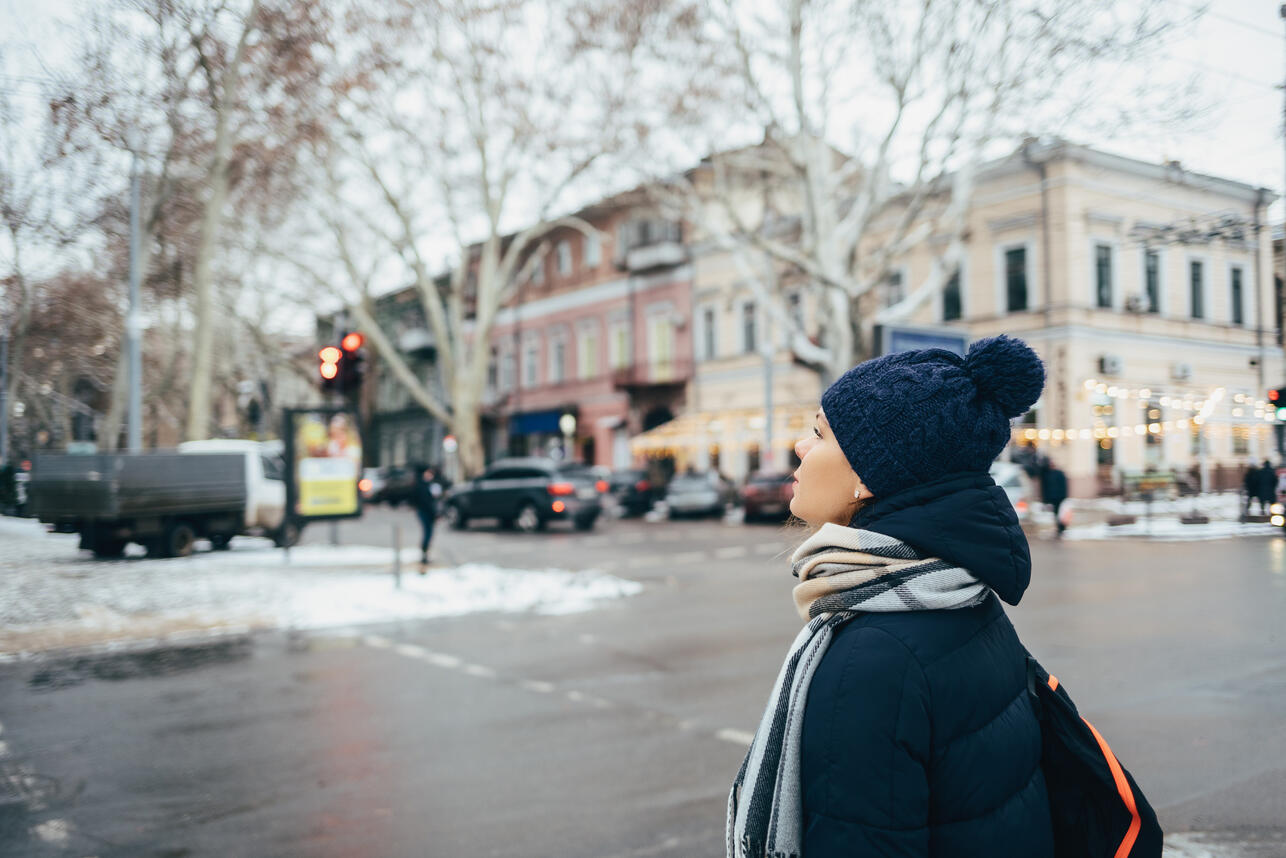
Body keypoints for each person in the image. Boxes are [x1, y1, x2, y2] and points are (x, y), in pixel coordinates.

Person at [728, 335, 1054, 858]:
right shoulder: (957, 594)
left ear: (869, 475)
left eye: (819, 433)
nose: (800, 447)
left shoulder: (875, 655)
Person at [412, 464, 442, 565]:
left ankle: (425, 554)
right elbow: (426, 502)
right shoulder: (423, 485)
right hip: (425, 512)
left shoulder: (428, 485)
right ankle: (424, 554)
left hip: (425, 512)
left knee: (428, 533)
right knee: (427, 533)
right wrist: (434, 514)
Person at [1040, 458, 1069, 538]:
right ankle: (1060, 528)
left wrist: (1064, 496)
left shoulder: (1059, 473)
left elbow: (1064, 486)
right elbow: (1045, 487)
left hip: (1059, 497)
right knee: (1056, 513)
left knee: (1060, 513)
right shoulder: (1046, 474)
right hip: (1053, 497)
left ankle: (1061, 528)